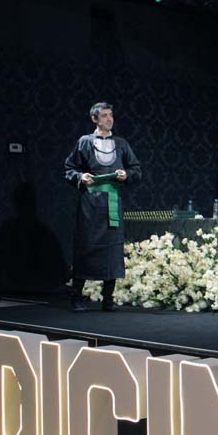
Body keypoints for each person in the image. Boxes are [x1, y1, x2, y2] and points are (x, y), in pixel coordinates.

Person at [64, 102, 141, 312]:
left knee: (112, 249)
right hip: (90, 203)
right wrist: (81, 176)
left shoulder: (121, 144)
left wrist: (127, 175)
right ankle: (77, 297)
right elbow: (69, 168)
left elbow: (136, 169)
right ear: (94, 119)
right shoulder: (85, 142)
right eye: (104, 115)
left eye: (111, 115)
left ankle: (108, 298)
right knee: (86, 246)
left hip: (112, 201)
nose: (109, 119)